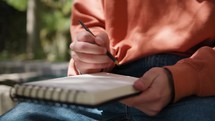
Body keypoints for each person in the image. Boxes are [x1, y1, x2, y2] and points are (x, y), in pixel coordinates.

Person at [1, 0, 215, 121]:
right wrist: (88, 55)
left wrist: (186, 78)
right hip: (110, 86)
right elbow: (89, 25)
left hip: (195, 92)